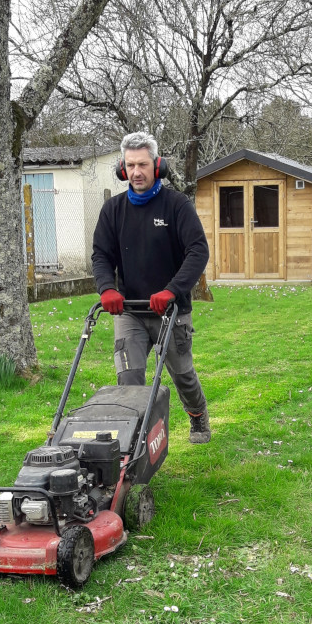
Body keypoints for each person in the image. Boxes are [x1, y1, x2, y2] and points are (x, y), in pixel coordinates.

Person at [91, 132, 211, 444]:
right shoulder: (113, 210)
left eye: (142, 164)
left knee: (182, 374)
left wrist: (172, 290)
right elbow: (101, 255)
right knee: (129, 378)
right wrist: (107, 288)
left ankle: (198, 415)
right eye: (130, 165)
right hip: (130, 310)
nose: (136, 172)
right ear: (122, 168)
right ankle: (135, 442)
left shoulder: (177, 205)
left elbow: (198, 251)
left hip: (171, 309)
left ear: (157, 166)